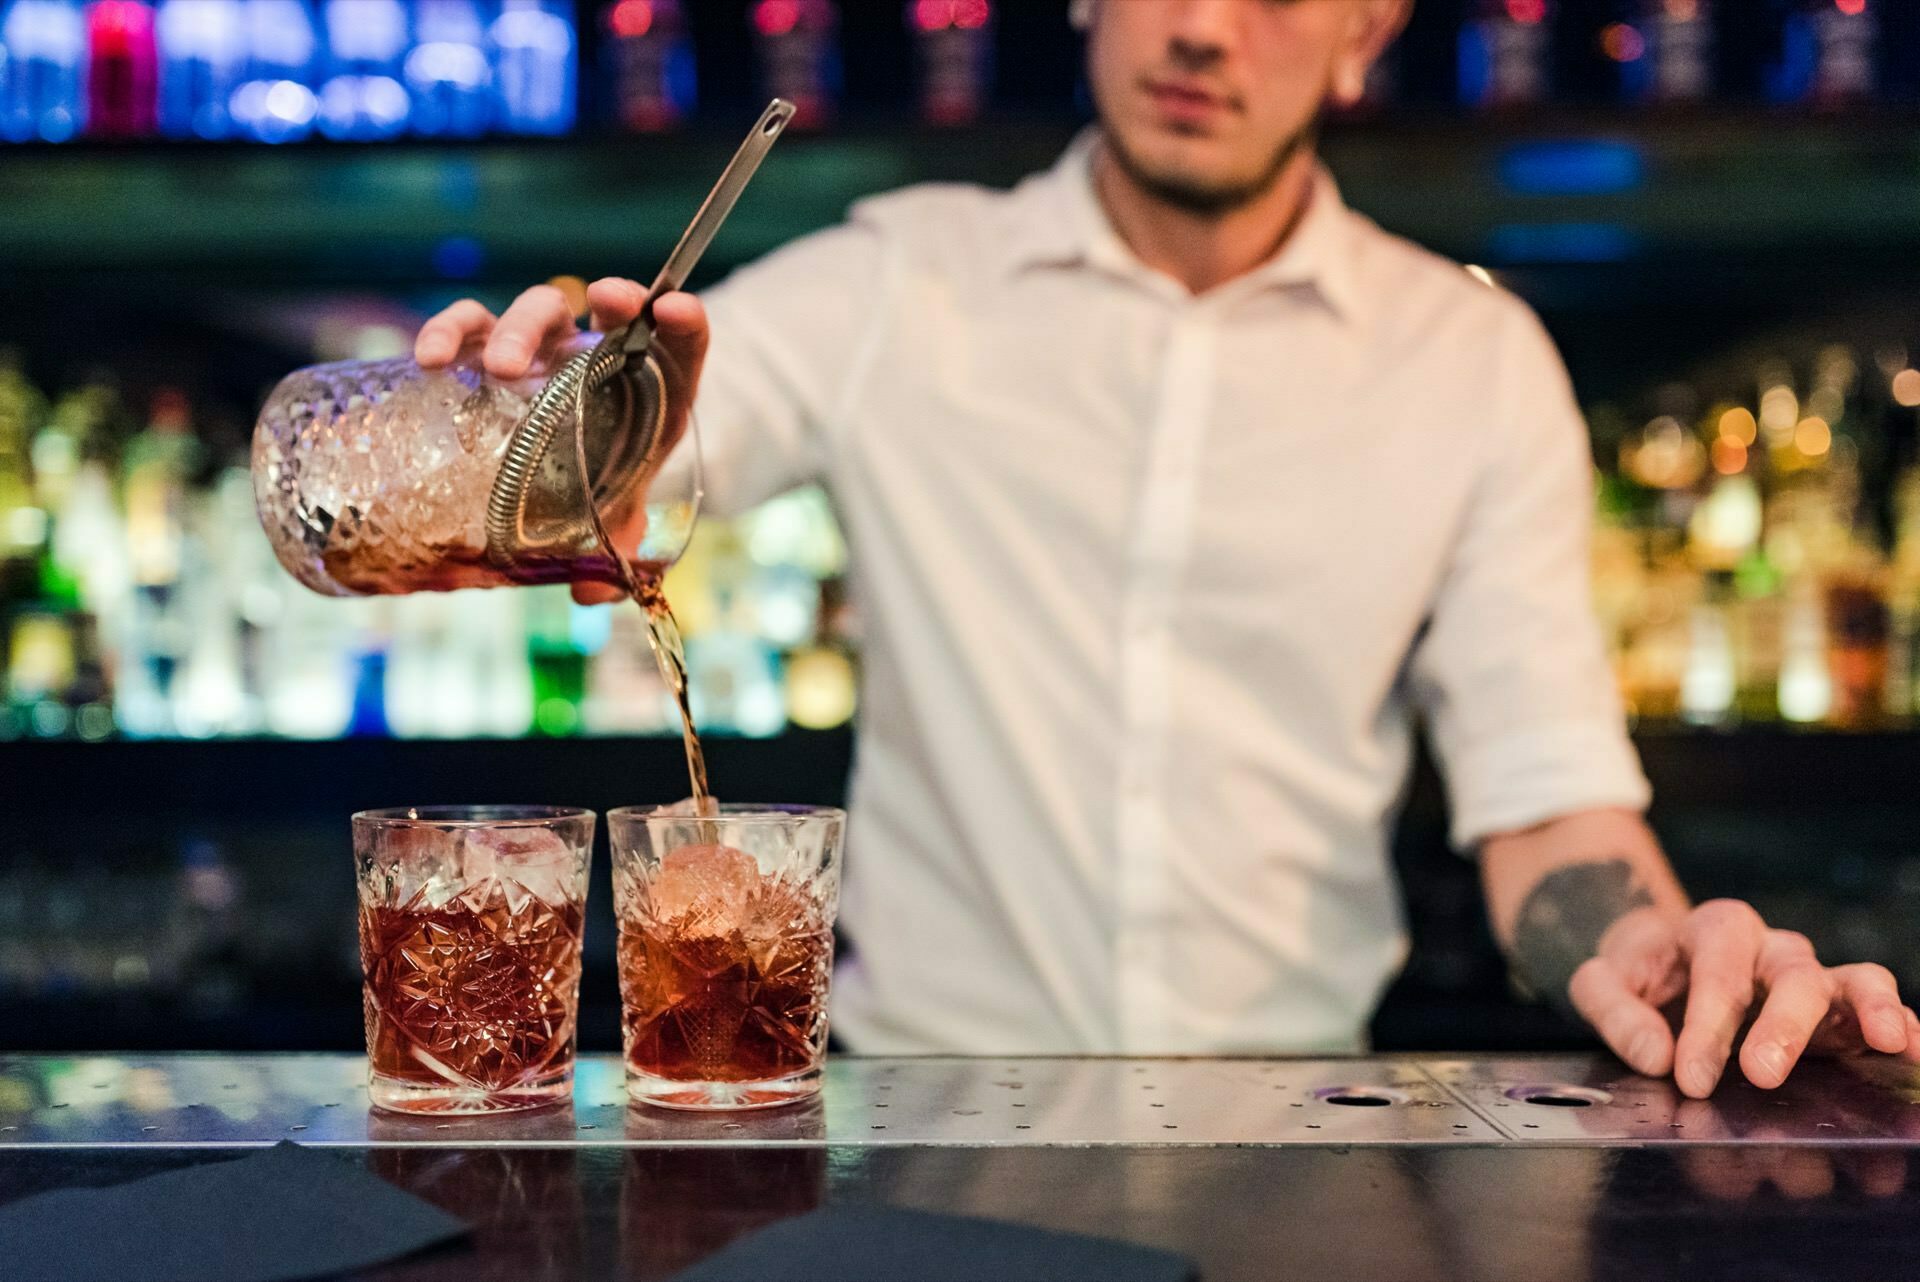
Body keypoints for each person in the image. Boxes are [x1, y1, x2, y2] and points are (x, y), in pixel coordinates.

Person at [417, 0, 1918, 1096]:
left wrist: (1656, 950)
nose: (1202, 27)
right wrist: (546, 414)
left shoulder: (1471, 360)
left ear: (1366, 32)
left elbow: (1551, 808)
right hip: (919, 1133)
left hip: (1292, 1137)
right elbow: (631, 446)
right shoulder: (897, 283)